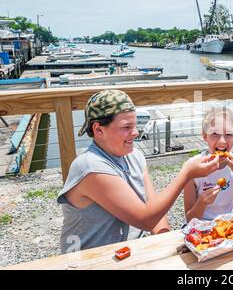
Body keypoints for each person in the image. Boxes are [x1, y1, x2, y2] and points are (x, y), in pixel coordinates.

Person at [57, 90, 220, 253]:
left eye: (135, 125)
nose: (135, 133)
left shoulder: (135, 156)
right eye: (127, 127)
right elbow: (145, 219)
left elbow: (153, 209)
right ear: (99, 130)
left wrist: (165, 241)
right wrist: (186, 173)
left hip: (128, 253)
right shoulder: (90, 167)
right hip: (88, 261)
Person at [183, 107, 233, 222]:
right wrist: (202, 202)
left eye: (228, 134)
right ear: (205, 136)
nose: (222, 141)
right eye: (214, 134)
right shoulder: (192, 168)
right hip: (199, 226)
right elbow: (190, 219)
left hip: (226, 225)